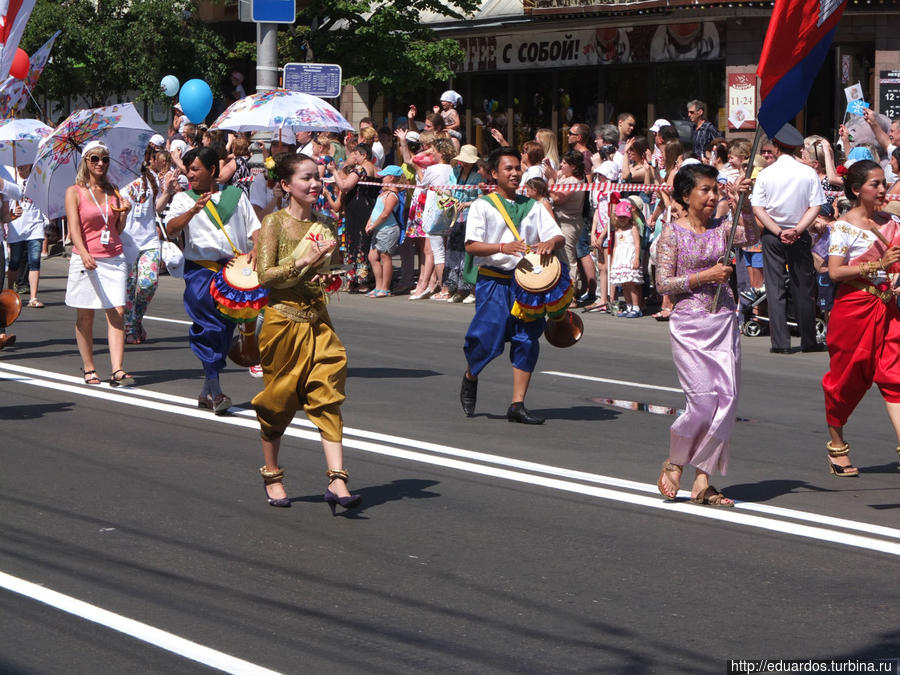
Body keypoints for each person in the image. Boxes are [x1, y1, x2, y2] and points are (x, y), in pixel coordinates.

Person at [251, 153, 360, 512]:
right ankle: (272, 475)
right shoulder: (274, 224)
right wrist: (302, 259)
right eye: (306, 178)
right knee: (278, 404)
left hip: (318, 321)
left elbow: (331, 271)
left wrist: (329, 274)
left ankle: (338, 479)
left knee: (328, 396)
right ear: (286, 185)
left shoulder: (325, 223)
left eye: (318, 178)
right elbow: (265, 275)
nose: (315, 184)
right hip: (282, 323)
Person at [655, 163, 758, 507]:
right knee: (701, 403)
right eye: (705, 190)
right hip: (688, 326)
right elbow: (663, 284)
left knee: (726, 401)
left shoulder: (723, 228)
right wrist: (705, 276)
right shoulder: (672, 233)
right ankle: (675, 461)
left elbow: (753, 237)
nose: (713, 196)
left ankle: (703, 480)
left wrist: (744, 201)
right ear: (685, 196)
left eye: (716, 190)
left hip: (724, 319)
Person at [459, 147, 565, 424]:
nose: (516, 173)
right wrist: (502, 246)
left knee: (527, 339)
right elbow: (471, 246)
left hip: (527, 285)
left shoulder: (534, 206)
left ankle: (517, 404)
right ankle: (471, 375)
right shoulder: (483, 205)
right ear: (494, 174)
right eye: (509, 168)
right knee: (487, 338)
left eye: (518, 168)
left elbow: (557, 236)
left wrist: (550, 243)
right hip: (493, 282)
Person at [165, 146, 261, 413]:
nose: (190, 175)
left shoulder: (235, 196)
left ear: (213, 171)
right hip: (201, 272)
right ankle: (215, 390)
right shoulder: (185, 199)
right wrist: (193, 211)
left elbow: (256, 228)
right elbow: (171, 230)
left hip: (233, 272)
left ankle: (207, 390)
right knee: (210, 326)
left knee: (226, 327)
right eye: (188, 169)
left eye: (195, 169)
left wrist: (256, 248)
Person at [820, 160, 900, 477]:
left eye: (884, 183)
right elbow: (836, 271)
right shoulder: (844, 227)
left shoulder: (892, 221)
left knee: (895, 377)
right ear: (856, 190)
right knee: (845, 382)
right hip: (853, 311)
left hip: (887, 309)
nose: (883, 189)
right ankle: (836, 446)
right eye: (875, 184)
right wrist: (877, 264)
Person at [751, 123, 826, 353]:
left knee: (775, 288)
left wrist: (777, 230)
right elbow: (816, 206)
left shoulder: (765, 174)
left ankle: (780, 343)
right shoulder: (807, 172)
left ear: (776, 147)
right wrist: (797, 229)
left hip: (773, 235)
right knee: (803, 287)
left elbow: (758, 208)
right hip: (799, 233)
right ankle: (808, 340)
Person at [64, 141, 134, 386]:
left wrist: (123, 213)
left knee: (117, 311)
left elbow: (116, 228)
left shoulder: (113, 189)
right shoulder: (74, 191)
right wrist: (83, 253)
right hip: (87, 258)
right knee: (85, 315)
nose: (100, 163)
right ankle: (89, 367)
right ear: (86, 161)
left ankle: (117, 369)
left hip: (114, 257)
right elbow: (74, 229)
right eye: (95, 159)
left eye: (104, 158)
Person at [121, 156, 162, 344]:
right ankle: (129, 328)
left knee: (148, 283)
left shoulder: (152, 178)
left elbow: (157, 208)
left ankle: (136, 321)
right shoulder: (115, 179)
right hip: (126, 240)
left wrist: (168, 192)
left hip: (149, 240)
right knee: (129, 288)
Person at [6, 163, 47, 309]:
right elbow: (5, 208)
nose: (20, 168)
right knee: (15, 262)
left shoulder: (37, 179)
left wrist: (46, 220)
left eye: (24, 165)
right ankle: (9, 294)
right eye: (18, 165)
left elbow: (44, 200)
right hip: (16, 227)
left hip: (35, 226)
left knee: (34, 261)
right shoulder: (10, 180)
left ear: (30, 165)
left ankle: (33, 298)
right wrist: (12, 213)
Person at [365, 165, 404, 296]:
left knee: (385, 257)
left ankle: (385, 288)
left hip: (388, 230)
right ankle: (378, 286)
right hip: (378, 229)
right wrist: (369, 222)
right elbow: (376, 211)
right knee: (372, 257)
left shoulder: (392, 195)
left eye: (384, 176)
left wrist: (373, 225)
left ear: (392, 178)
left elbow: (385, 214)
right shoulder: (383, 194)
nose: (382, 179)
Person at [608, 199, 643, 317]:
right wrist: (613, 262)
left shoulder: (633, 228)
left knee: (632, 283)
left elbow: (637, 244)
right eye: (620, 216)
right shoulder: (617, 230)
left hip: (630, 257)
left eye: (625, 216)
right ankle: (628, 306)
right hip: (620, 258)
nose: (622, 219)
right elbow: (615, 246)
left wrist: (636, 258)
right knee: (624, 284)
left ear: (629, 217)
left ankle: (636, 307)